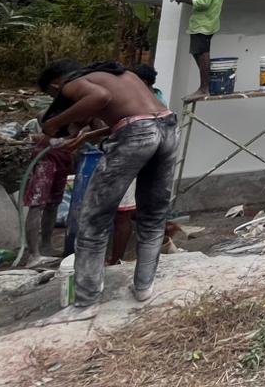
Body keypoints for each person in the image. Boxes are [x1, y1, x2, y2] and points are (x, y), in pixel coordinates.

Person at [35, 60, 177, 324]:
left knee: (94, 220)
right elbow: (140, 115)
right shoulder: (119, 74)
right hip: (167, 128)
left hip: (136, 136)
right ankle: (143, 287)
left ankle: (85, 303)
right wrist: (88, 136)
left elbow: (100, 98)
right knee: (153, 216)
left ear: (55, 86)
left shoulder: (71, 84)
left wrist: (54, 124)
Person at [21, 59, 84, 267]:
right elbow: (41, 128)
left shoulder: (79, 100)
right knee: (38, 202)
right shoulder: (53, 109)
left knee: (53, 203)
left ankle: (46, 247)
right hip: (46, 157)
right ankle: (33, 254)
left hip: (63, 156)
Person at [107, 64, 168, 266]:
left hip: (137, 160)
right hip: (151, 161)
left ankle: (116, 260)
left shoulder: (146, 103)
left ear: (143, 82)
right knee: (141, 209)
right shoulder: (156, 99)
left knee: (124, 213)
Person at [173, 0, 226, 100]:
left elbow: (204, 3)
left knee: (202, 54)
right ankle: (206, 86)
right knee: (200, 53)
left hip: (202, 24)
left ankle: (204, 88)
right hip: (208, 23)